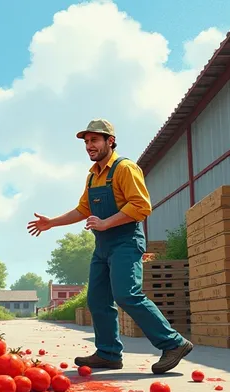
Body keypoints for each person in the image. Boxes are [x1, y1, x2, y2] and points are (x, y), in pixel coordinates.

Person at [27, 119, 193, 374]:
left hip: (126, 241)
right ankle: (108, 353)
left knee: (127, 293)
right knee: (97, 299)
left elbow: (141, 206)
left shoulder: (125, 169)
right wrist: (53, 222)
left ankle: (173, 343)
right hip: (103, 246)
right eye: (86, 142)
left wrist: (106, 223)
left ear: (110, 141)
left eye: (94, 140)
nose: (89, 146)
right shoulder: (93, 175)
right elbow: (84, 209)